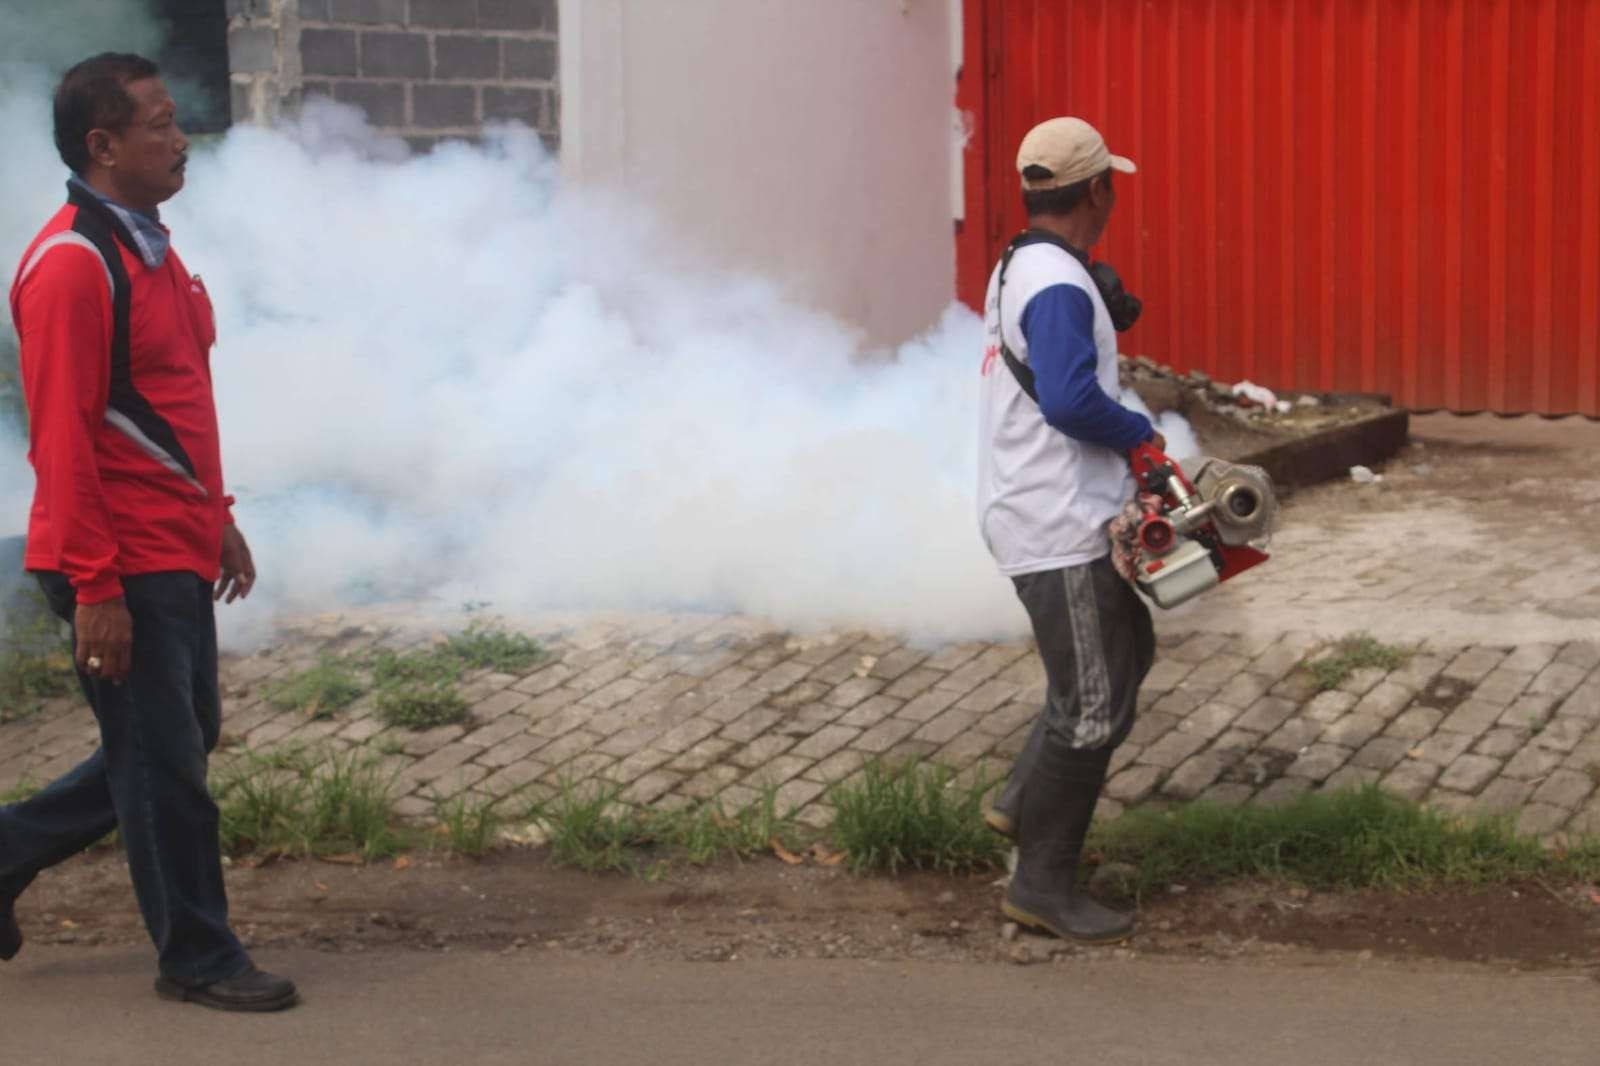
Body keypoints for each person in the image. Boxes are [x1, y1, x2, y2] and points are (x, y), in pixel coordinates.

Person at [0, 53, 297, 1012]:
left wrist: (218, 522)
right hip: (114, 558)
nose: (181, 142)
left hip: (171, 543)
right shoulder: (73, 266)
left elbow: (173, 404)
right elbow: (65, 441)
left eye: (177, 123)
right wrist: (95, 587)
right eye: (161, 126)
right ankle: (199, 956)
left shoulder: (149, 250)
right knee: (167, 762)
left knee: (178, 738)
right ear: (103, 145)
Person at [974, 116, 1160, 943]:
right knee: (1091, 707)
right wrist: (1143, 438)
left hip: (1043, 508)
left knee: (1128, 653)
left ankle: (1021, 802)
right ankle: (1040, 887)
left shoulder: (1026, 261)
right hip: (1056, 520)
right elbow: (1070, 403)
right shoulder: (1053, 283)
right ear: (1097, 190)